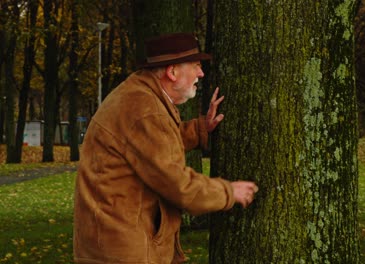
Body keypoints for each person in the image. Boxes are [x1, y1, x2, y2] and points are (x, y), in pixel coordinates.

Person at [73, 33, 259, 264]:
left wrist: (200, 129)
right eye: (196, 66)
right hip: (127, 253)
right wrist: (228, 192)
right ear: (172, 73)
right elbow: (179, 186)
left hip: (112, 247)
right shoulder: (145, 111)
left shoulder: (137, 97)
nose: (201, 74)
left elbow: (150, 147)